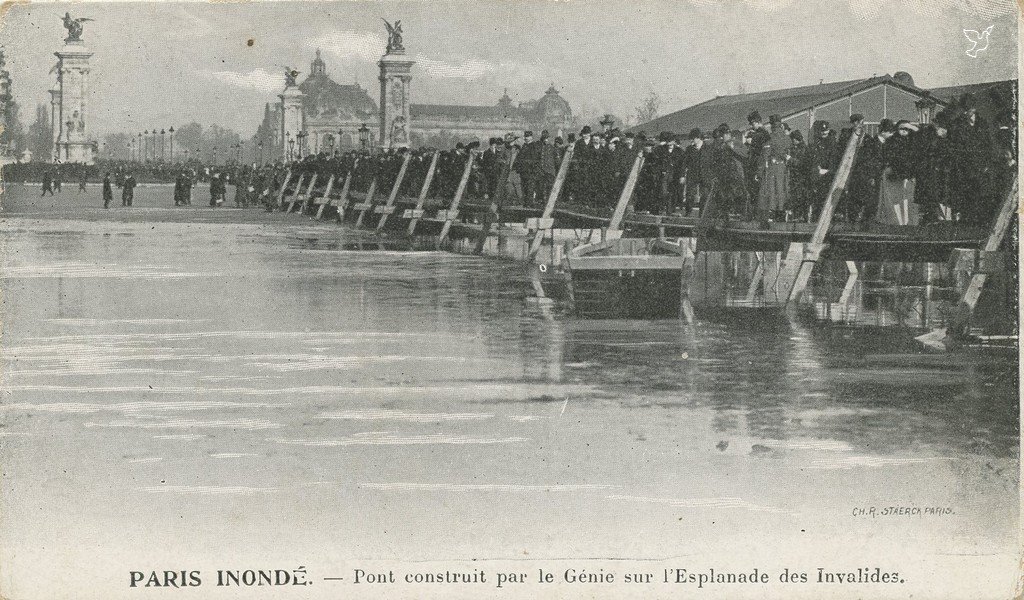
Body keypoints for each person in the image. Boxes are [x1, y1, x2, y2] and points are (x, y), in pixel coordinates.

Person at [876, 120, 919, 225]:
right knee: (893, 200)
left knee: (908, 200)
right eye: (902, 129)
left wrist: (912, 127)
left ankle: (907, 222)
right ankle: (896, 222)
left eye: (907, 129)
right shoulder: (891, 141)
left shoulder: (913, 141)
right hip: (894, 175)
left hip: (908, 176)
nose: (904, 131)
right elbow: (887, 157)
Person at [755, 114, 791, 224]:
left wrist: (759, 172)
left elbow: (765, 156)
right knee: (782, 190)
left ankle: (771, 215)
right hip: (784, 169)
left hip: (772, 169)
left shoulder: (770, 138)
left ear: (771, 125)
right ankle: (783, 213)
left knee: (771, 192)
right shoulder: (787, 138)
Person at [808, 120, 839, 220]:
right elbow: (813, 158)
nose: (824, 133)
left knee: (827, 196)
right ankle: (816, 217)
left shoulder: (832, 143)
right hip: (818, 174)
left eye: (825, 131)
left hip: (829, 174)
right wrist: (817, 168)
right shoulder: (816, 143)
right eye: (822, 131)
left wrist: (829, 170)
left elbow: (834, 159)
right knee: (817, 198)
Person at [515, 130, 541, 206]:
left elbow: (535, 159)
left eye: (528, 137)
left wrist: (527, 163)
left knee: (530, 188)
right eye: (525, 137)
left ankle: (529, 203)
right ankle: (526, 203)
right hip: (524, 171)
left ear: (531, 137)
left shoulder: (534, 146)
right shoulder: (524, 146)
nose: (526, 138)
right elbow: (519, 158)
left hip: (531, 171)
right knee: (524, 187)